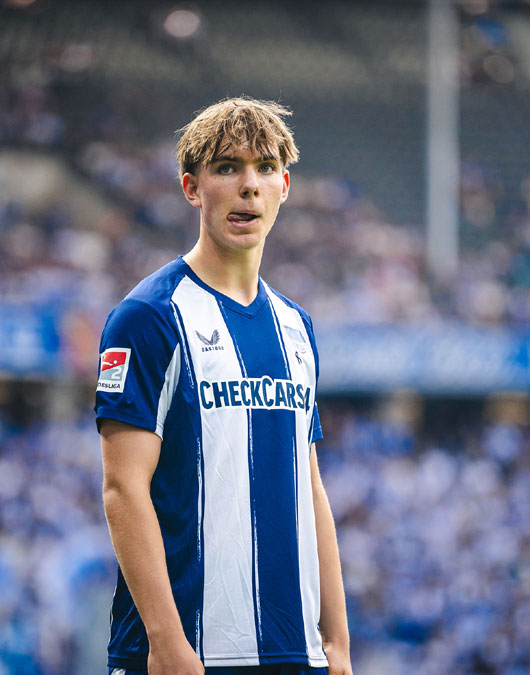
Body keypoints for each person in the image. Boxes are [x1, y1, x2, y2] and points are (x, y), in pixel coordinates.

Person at [95, 97, 353, 675]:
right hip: (185, 654)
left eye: (265, 168)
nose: (248, 186)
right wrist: (167, 643)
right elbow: (122, 488)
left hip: (296, 654)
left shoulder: (296, 327)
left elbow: (310, 487)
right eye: (227, 167)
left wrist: (336, 640)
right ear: (192, 188)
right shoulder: (149, 317)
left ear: (284, 187)